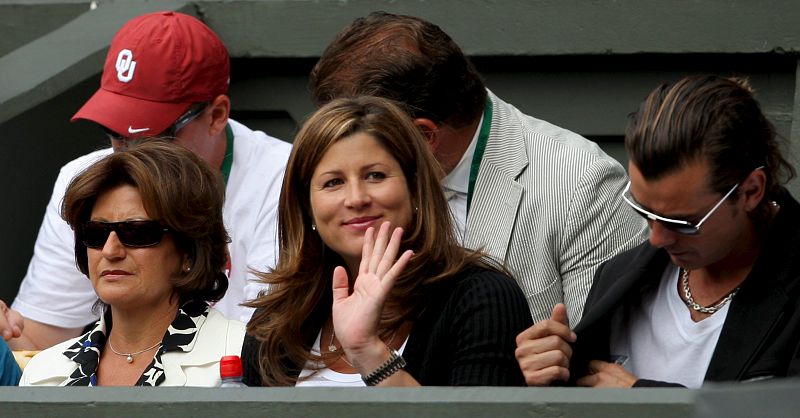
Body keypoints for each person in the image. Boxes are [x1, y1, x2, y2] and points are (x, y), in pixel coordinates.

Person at [309, 12, 647, 325]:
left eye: (356, 133)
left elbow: (598, 357)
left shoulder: (578, 183)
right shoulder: (334, 192)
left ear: (424, 136)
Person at [2, 11, 291, 349]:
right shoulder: (83, 179)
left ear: (216, 115)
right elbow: (38, 342)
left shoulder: (284, 178)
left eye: (151, 135)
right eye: (116, 132)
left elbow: (266, 355)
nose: (130, 154)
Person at [515, 75, 800, 388]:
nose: (656, 238)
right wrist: (551, 375)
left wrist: (645, 401)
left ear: (750, 192)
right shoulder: (620, 278)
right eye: (645, 212)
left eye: (682, 222)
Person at [241, 96, 532, 387]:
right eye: (333, 182)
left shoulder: (481, 298)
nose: (356, 199)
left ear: (415, 189)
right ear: (307, 207)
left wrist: (368, 352)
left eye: (375, 176)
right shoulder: (276, 321)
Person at [20, 141, 245, 386]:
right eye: (96, 233)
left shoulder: (246, 353)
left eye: (137, 232)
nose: (110, 250)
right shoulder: (42, 374)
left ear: (189, 250)